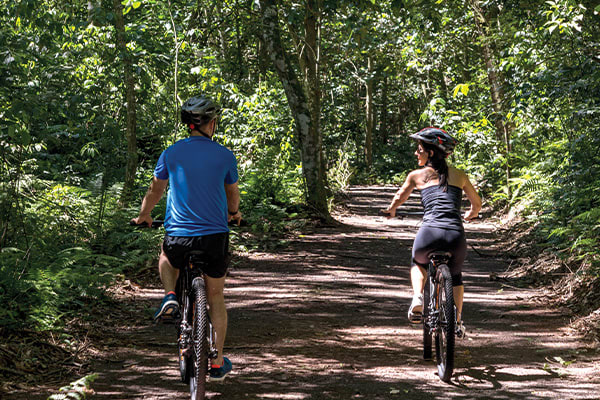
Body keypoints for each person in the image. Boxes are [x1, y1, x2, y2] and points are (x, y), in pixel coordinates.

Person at [131, 95, 241, 381]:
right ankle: (216, 361)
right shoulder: (225, 155)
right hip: (215, 237)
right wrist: (234, 213)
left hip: (179, 237)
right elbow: (232, 194)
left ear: (188, 125)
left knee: (167, 256)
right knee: (216, 295)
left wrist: (144, 216)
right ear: (212, 124)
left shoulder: (171, 153)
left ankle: (170, 296)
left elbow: (155, 191)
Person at [383, 127, 481, 338]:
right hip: (455, 236)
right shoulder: (459, 175)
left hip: (429, 234)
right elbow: (477, 203)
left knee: (418, 261)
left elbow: (400, 196)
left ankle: (418, 297)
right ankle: (456, 320)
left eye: (420, 149)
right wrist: (470, 215)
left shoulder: (417, 176)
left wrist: (391, 210)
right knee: (455, 276)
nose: (416, 153)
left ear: (432, 152)